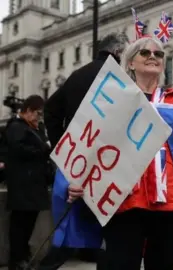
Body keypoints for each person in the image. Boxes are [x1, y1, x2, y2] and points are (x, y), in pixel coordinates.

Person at [64, 35, 173, 270]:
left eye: (158, 54)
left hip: (171, 202)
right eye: (145, 53)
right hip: (124, 199)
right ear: (130, 62)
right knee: (120, 264)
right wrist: (75, 179)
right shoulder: (112, 99)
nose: (152, 57)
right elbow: (89, 143)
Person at [39, 32, 130, 270]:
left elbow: (50, 110)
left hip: (75, 162)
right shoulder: (120, 79)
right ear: (119, 52)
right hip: (107, 165)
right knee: (106, 235)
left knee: (68, 230)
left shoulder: (77, 75)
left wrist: (62, 146)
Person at [4, 95, 51, 270]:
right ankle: (17, 259)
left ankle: (24, 255)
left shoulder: (34, 128)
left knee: (28, 223)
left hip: (33, 185)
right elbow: (20, 150)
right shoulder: (16, 127)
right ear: (28, 110)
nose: (39, 117)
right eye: (37, 113)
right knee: (19, 225)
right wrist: (44, 149)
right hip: (23, 185)